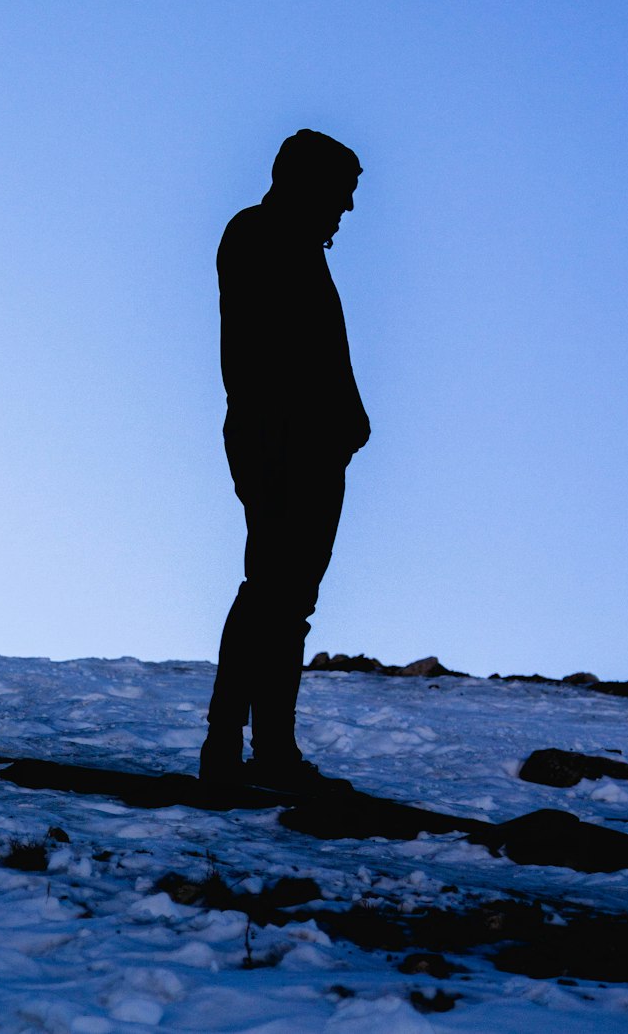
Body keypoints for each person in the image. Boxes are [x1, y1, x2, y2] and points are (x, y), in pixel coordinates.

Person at [200, 129, 370, 793]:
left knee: (288, 596)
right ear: (308, 181)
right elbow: (280, 352)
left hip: (308, 440)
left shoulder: (288, 242)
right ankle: (234, 744)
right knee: (272, 588)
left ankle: (269, 746)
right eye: (342, 192)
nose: (347, 209)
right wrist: (319, 423)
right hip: (280, 438)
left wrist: (345, 426)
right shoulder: (261, 235)